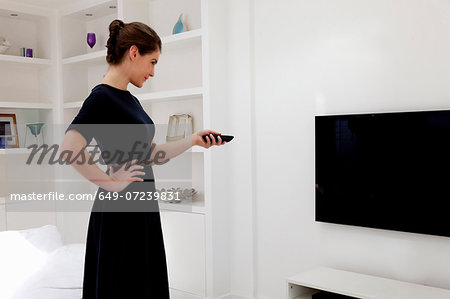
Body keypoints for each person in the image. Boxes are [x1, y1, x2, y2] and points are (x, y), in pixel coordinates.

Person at [59, 19, 226, 298]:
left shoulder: (129, 99)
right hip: (120, 210)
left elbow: (149, 154)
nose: (152, 72)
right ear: (133, 52)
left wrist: (193, 139)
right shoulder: (101, 98)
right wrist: (111, 182)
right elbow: (69, 148)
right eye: (153, 62)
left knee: (141, 282)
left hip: (140, 205)